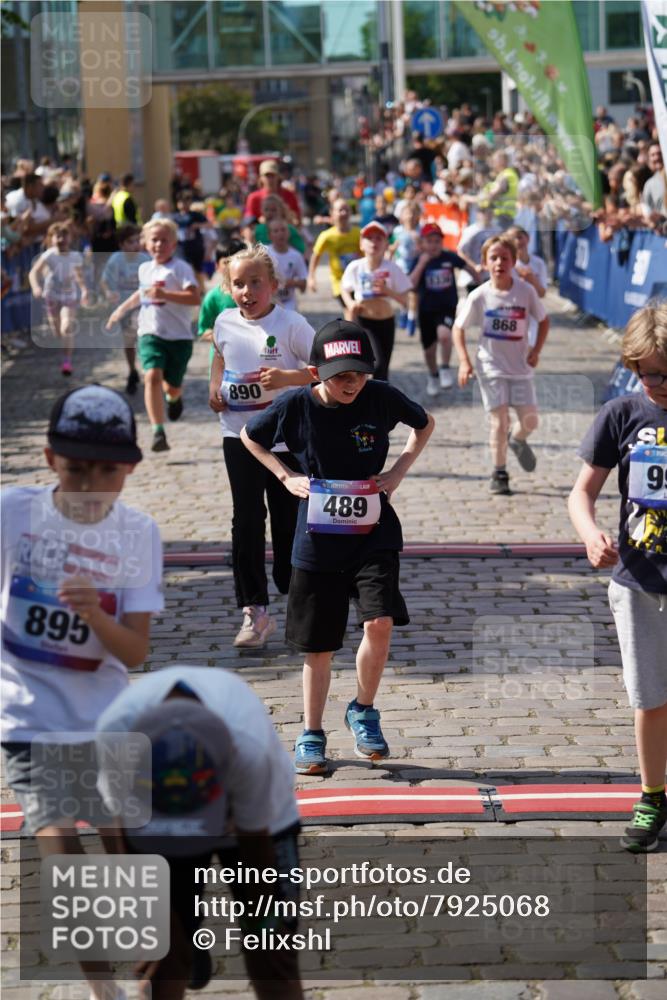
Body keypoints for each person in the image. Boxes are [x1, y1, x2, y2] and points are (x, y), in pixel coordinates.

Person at [1, 383, 163, 1000]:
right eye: (75, 470)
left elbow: (134, 651)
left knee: (122, 855)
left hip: (106, 719)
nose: (91, 486)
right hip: (27, 720)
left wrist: (95, 615)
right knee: (64, 857)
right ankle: (104, 991)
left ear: (130, 467)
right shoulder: (13, 513)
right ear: (49, 462)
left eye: (107, 471)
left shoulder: (137, 535)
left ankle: (152, 963)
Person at [241, 320, 434, 774]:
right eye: (341, 375)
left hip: (374, 531)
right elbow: (251, 436)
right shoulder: (294, 405)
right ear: (315, 372)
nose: (352, 383)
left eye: (360, 373)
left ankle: (363, 709)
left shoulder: (381, 397)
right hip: (318, 537)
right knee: (319, 646)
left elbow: (424, 425)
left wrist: (398, 471)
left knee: (380, 622)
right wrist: (285, 476)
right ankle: (311, 733)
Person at [95, 664, 303, 1000]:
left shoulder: (246, 748)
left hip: (257, 822)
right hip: (157, 824)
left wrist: (262, 921)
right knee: (162, 961)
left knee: (272, 952)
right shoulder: (117, 737)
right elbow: (119, 832)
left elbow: (257, 852)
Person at [568, 301, 667, 853]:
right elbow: (582, 492)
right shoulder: (623, 414)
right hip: (639, 580)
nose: (658, 383)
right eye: (649, 372)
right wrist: (589, 533)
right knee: (650, 698)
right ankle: (653, 795)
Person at [208, 245, 315, 648]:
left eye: (256, 283)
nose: (247, 291)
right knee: (247, 521)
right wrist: (214, 388)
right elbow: (219, 356)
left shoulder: (292, 324)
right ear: (228, 287)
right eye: (239, 284)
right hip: (238, 434)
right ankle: (254, 611)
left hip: (286, 440)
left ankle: (293, 591)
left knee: (288, 520)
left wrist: (287, 379)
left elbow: (323, 368)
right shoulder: (223, 321)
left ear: (274, 285)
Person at [453, 235, 549, 495]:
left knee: (530, 421)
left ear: (514, 261)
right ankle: (499, 472)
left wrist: (536, 350)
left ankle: (517, 441)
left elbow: (543, 320)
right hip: (490, 367)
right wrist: (464, 361)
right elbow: (458, 329)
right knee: (499, 421)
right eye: (493, 258)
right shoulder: (479, 296)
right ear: (484, 263)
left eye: (504, 258)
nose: (499, 263)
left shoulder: (525, 292)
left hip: (520, 368)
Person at [106, 219, 201, 453]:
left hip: (179, 338)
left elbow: (194, 298)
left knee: (172, 386)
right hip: (150, 333)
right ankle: (158, 431)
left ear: (173, 243)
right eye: (154, 240)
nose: (159, 244)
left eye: (164, 240)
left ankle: (174, 398)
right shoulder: (144, 268)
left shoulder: (181, 268)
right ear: (145, 244)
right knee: (152, 376)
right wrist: (120, 310)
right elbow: (142, 294)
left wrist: (165, 293)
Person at [410, 222, 479, 397]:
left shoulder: (449, 257)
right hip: (426, 310)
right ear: (423, 244)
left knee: (445, 335)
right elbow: (411, 284)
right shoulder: (419, 260)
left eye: (437, 241)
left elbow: (468, 268)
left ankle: (445, 367)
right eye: (429, 241)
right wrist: (422, 264)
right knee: (429, 350)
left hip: (446, 308)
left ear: (442, 242)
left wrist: (480, 284)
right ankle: (433, 375)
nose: (433, 245)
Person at [340, 221, 411, 382]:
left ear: (386, 244)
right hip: (364, 321)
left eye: (379, 238)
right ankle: (367, 400)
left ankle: (378, 404)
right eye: (369, 238)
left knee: (383, 369)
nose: (374, 242)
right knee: (375, 365)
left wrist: (387, 292)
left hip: (386, 322)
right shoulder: (356, 267)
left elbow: (405, 301)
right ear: (361, 244)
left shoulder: (392, 268)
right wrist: (350, 303)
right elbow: (345, 289)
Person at [29, 221, 89, 376]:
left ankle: (67, 362)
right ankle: (63, 346)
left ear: (70, 238)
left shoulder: (75, 256)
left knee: (67, 327)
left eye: (64, 236)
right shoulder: (48, 255)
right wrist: (36, 287)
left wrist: (84, 290)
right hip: (52, 296)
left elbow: (79, 275)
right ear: (51, 239)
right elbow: (33, 272)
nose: (61, 239)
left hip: (69, 296)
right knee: (57, 331)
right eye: (58, 236)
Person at [100, 224, 150, 394]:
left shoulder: (145, 259)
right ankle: (132, 370)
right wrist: (108, 292)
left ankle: (149, 370)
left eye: (137, 241)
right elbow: (105, 280)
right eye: (130, 242)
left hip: (143, 306)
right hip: (123, 306)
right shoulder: (116, 260)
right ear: (121, 245)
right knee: (129, 341)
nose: (135, 245)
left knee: (140, 334)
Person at [307, 198, 360, 307]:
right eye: (340, 210)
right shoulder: (326, 236)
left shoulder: (358, 233)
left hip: (357, 279)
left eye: (346, 210)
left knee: (357, 309)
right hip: (339, 282)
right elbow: (316, 256)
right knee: (349, 308)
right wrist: (311, 277)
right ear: (332, 213)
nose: (344, 213)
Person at [390, 201, 421, 335]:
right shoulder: (398, 231)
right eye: (407, 213)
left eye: (413, 213)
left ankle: (412, 319)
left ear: (418, 216)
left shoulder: (420, 231)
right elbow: (391, 248)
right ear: (402, 216)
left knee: (413, 295)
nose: (410, 216)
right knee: (402, 295)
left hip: (415, 266)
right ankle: (403, 312)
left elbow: (424, 249)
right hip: (400, 267)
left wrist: (419, 241)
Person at [266, 218, 307, 312]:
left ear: (288, 233)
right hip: (269, 303)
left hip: (289, 303)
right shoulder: (265, 253)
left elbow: (303, 285)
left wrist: (291, 282)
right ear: (269, 235)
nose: (280, 233)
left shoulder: (296, 256)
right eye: (276, 231)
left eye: (283, 230)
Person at [243, 159, 301, 225]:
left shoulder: (289, 195)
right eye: (267, 176)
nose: (270, 179)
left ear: (278, 176)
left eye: (272, 175)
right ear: (261, 178)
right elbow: (248, 222)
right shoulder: (253, 198)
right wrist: (259, 222)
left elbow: (298, 219)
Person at [172, 188, 207, 292]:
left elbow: (209, 224)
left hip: (196, 246)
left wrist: (197, 225)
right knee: (184, 268)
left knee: (198, 270)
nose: (184, 204)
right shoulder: (175, 217)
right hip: (181, 247)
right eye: (181, 202)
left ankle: (201, 290)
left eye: (186, 201)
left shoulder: (195, 215)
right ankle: (187, 290)